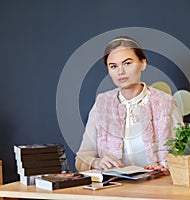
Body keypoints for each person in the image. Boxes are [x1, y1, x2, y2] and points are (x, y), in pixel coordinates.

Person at [75, 36, 183, 173]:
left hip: (157, 188)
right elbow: (80, 160)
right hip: (114, 189)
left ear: (143, 63)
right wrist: (97, 162)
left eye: (127, 63)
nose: (120, 71)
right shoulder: (102, 104)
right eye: (113, 66)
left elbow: (183, 157)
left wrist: (166, 168)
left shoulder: (166, 103)